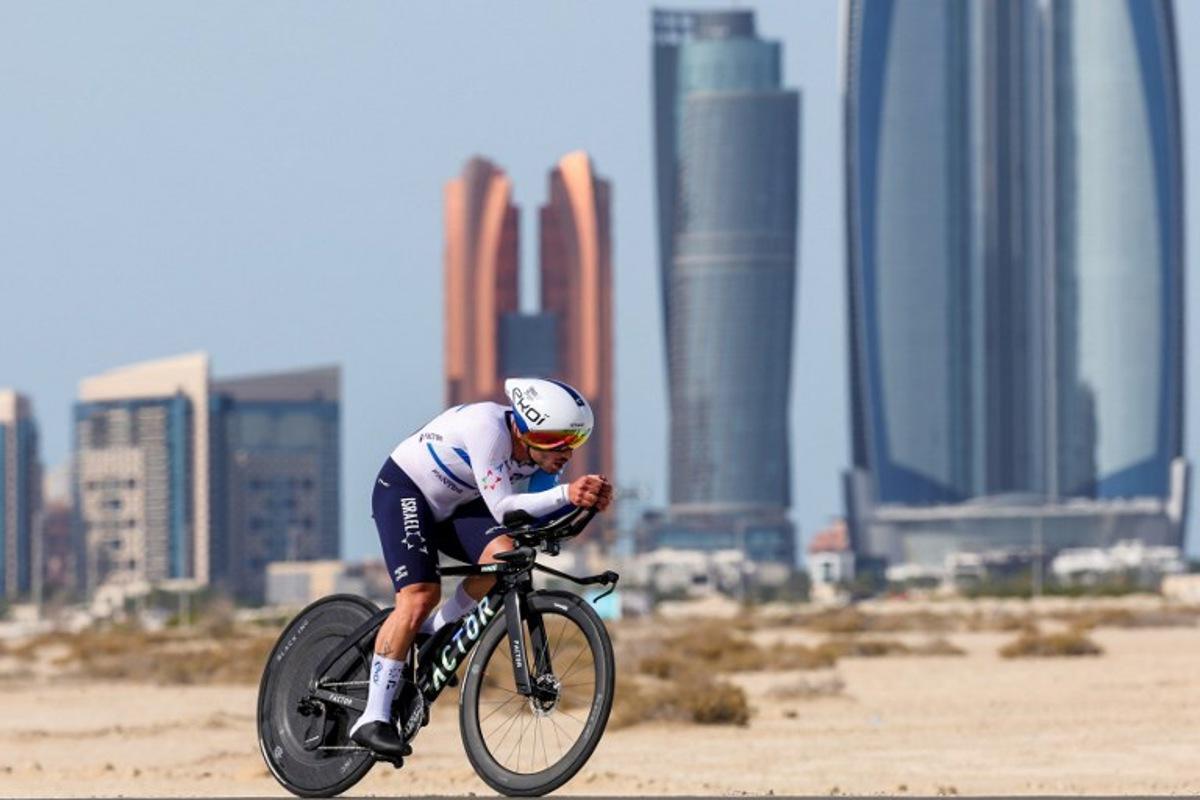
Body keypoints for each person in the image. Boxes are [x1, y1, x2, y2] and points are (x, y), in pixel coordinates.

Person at [349, 377, 614, 760]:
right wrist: (567, 493)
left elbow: (536, 519)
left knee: (504, 558)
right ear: (526, 427)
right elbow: (506, 507)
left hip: (460, 505)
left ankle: (435, 632)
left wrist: (586, 502)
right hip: (406, 491)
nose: (567, 453)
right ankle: (372, 718)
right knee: (420, 594)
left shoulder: (542, 457)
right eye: (557, 440)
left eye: (575, 441)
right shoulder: (486, 428)